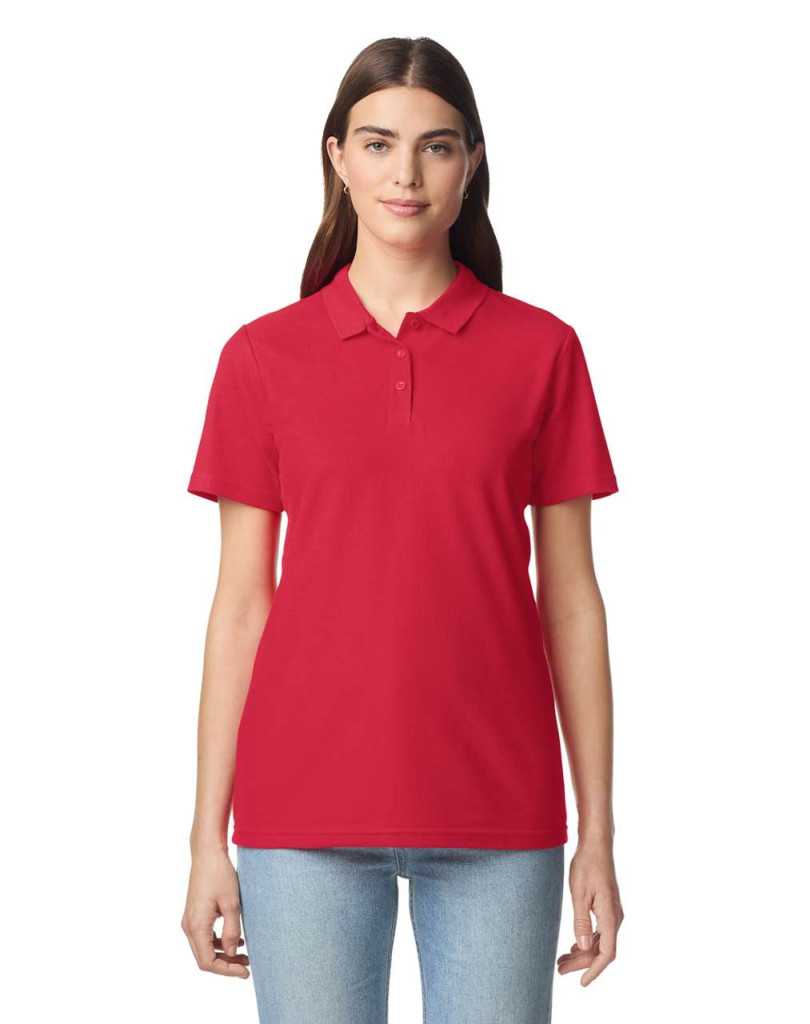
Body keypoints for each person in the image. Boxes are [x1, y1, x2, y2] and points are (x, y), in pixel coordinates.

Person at [181, 35, 624, 1024]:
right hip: (301, 809)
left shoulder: (543, 352)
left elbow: (572, 605)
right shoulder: (260, 358)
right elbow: (241, 607)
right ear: (337, 157)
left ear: (471, 165)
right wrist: (207, 836)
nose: (406, 174)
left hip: (499, 809)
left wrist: (596, 831)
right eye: (379, 144)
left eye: (436, 146)